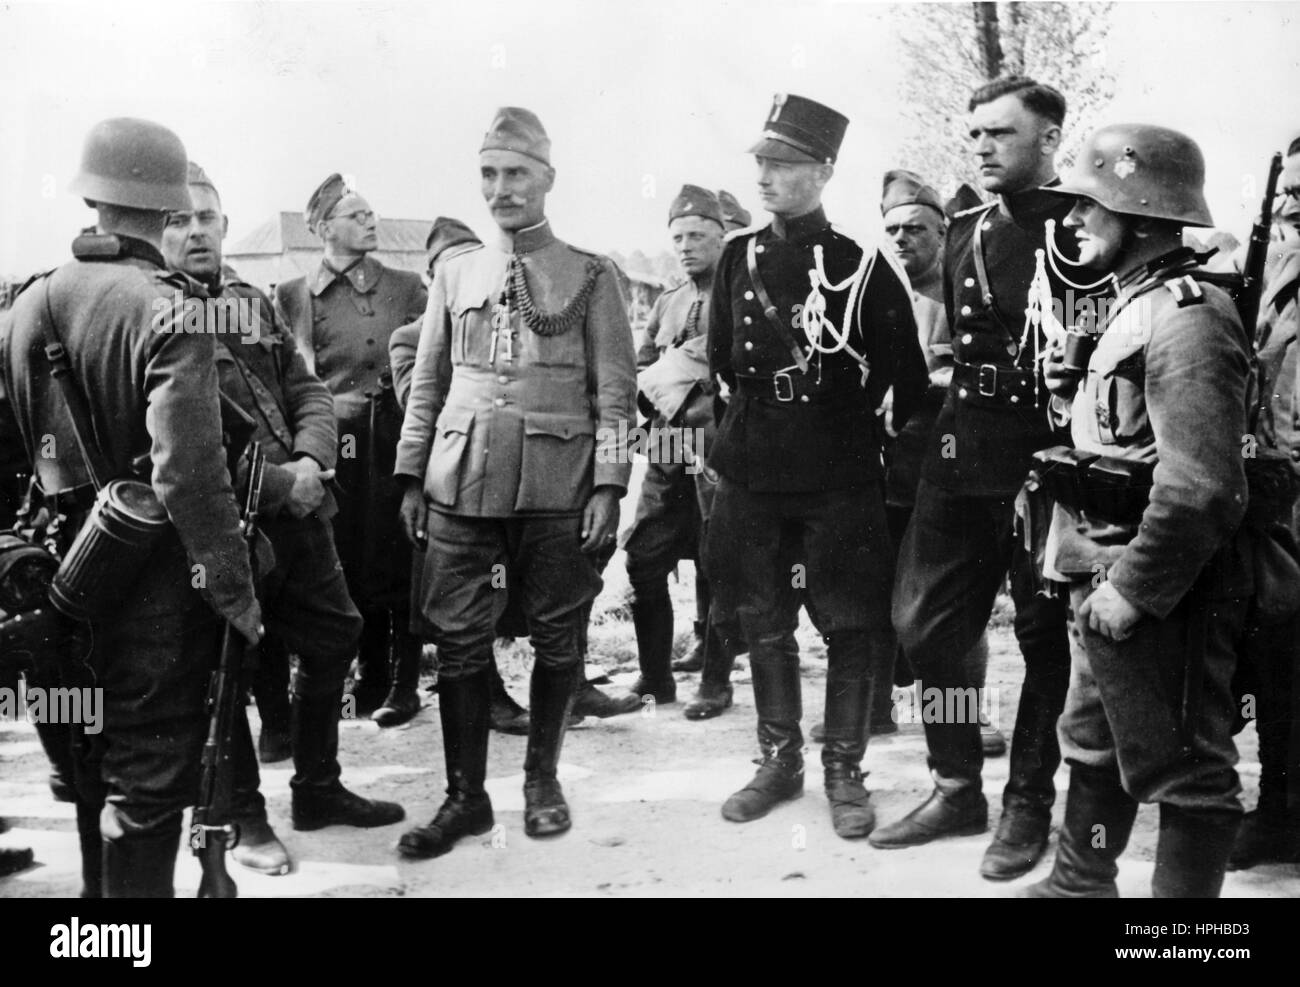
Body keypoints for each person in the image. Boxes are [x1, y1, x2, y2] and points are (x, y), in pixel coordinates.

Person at [0, 117, 262, 897]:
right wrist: (235, 590)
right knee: (146, 789)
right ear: (169, 207)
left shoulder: (27, 304)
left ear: (94, 197)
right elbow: (189, 474)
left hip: (57, 586)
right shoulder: (171, 308)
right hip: (152, 597)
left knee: (89, 767)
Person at [394, 107, 636, 858]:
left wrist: (608, 485)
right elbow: (428, 385)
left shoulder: (592, 275)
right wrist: (410, 476)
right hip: (459, 481)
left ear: (548, 180)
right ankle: (465, 798)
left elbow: (616, 394)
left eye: (517, 174)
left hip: (558, 485)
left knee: (558, 635)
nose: (501, 189)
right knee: (460, 644)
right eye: (489, 174)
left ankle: (542, 781)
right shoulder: (454, 272)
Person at [1025, 123, 1253, 897]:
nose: (1072, 221)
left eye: (1088, 205)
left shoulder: (1188, 315)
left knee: (1188, 769)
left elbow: (1203, 486)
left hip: (1161, 589)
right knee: (1094, 739)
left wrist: (1134, 588)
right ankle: (1080, 884)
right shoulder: (1138, 304)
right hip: (1106, 575)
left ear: (1142, 211)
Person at [160, 163, 403, 873]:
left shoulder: (248, 300)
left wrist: (310, 458)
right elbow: (177, 450)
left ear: (226, 225)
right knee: (226, 666)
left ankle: (318, 788)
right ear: (156, 230)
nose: (197, 231)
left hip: (301, 506)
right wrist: (276, 485)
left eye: (208, 217)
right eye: (179, 220)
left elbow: (306, 387)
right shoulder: (156, 311)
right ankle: (242, 814)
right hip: (221, 524)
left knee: (336, 632)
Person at [871, 77, 1082, 882]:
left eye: (1001, 132)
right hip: (961, 455)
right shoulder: (964, 230)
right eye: (976, 135)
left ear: (1050, 137)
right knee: (922, 622)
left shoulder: (1086, 227)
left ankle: (1027, 799)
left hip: (1046, 462)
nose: (984, 147)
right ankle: (957, 784)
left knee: (1043, 637)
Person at [708, 93, 928, 838]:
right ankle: (779, 761)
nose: (765, 176)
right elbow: (720, 360)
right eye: (761, 162)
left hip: (837, 470)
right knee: (762, 617)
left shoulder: (860, 265)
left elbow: (907, 377)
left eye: (783, 163)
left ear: (824, 171)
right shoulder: (737, 256)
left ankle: (843, 768)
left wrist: (858, 430)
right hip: (752, 467)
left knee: (851, 623)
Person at [275, 175, 428, 727]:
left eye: (370, 213)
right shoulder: (291, 295)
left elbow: (428, 367)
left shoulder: (406, 287)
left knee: (399, 556)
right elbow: (289, 378)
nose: (370, 221)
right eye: (356, 214)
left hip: (391, 440)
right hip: (329, 448)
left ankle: (405, 684)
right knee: (345, 558)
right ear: (323, 229)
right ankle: (368, 677)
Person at [877, 169, 1006, 755]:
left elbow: (987, 370)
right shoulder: (876, 295)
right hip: (887, 471)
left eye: (915, 228)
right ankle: (876, 707)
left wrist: (926, 380)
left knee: (953, 604)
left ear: (942, 232)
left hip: (953, 468)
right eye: (892, 230)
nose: (902, 239)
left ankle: (966, 718)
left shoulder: (967, 293)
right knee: (880, 594)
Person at [1228, 137, 1300, 870]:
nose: (1293, 205)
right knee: (1277, 657)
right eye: (1289, 193)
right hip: (1279, 500)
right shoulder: (1277, 266)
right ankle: (1278, 808)